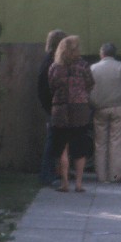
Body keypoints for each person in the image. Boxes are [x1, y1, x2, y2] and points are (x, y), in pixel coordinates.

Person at [48, 35, 95, 192]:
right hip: (80, 108)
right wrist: (82, 94)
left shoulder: (55, 67)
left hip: (60, 108)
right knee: (80, 147)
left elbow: (52, 86)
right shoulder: (83, 65)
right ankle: (79, 184)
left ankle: (65, 183)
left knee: (63, 148)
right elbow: (90, 83)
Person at [90, 42, 121, 184]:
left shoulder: (93, 68)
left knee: (100, 143)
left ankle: (101, 176)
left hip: (100, 109)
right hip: (119, 108)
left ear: (102, 54)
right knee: (116, 142)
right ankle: (115, 176)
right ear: (114, 54)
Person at [36, 29, 68, 186]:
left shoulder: (49, 61)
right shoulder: (52, 63)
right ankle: (47, 175)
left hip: (53, 108)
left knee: (55, 142)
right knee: (52, 143)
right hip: (56, 108)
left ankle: (53, 173)